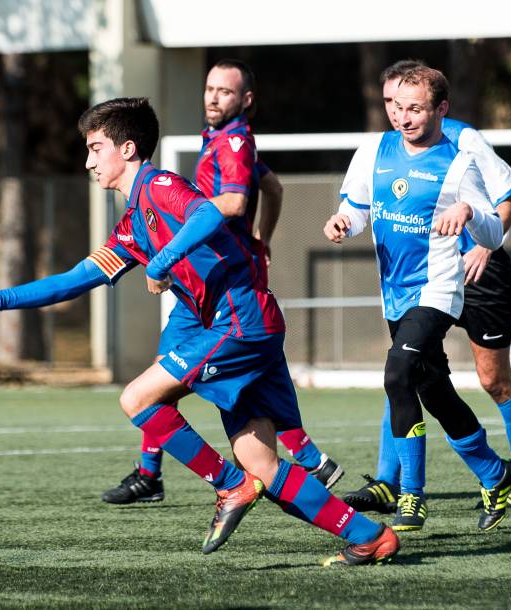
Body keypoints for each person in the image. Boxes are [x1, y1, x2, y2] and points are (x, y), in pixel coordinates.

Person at [0, 97, 399, 565]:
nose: (88, 161)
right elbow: (74, 280)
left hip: (240, 321)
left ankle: (228, 485)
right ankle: (370, 536)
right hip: (249, 326)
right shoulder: (132, 227)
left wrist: (160, 262)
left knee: (137, 398)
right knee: (263, 464)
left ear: (128, 148)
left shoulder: (159, 185)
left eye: (96, 148)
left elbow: (207, 213)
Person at [102, 60, 343, 506]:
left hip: (218, 279)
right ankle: (312, 463)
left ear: (245, 101)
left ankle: (160, 475)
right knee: (245, 382)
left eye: (225, 92)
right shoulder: (224, 141)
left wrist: (180, 227)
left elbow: (231, 202)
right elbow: (273, 190)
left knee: (163, 381)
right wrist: (262, 239)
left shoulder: (233, 141)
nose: (213, 97)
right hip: (211, 280)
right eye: (210, 89)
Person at [343, 60, 511, 519]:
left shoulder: (463, 142)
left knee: (489, 378)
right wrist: (346, 220)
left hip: (473, 273)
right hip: (412, 282)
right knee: (413, 376)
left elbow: (506, 200)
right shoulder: (382, 149)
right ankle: (391, 482)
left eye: (410, 104)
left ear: (434, 105)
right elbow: (359, 207)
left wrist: (482, 248)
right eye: (392, 103)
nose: (400, 114)